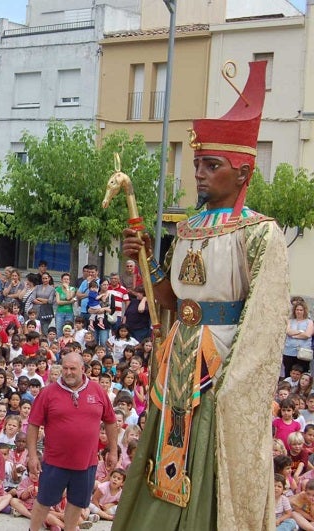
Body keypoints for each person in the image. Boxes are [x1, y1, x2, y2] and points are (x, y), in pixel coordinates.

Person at [112, 61, 290, 531]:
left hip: (221, 364)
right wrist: (145, 259)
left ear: (243, 171)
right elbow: (169, 297)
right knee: (165, 448)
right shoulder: (187, 227)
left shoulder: (261, 233)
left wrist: (236, 382)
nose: (201, 174)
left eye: (213, 166)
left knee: (207, 451)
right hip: (180, 355)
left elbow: (267, 319)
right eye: (197, 165)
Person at [27, 353, 118, 531]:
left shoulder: (97, 390)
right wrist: (32, 456)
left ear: (83, 369)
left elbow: (110, 421)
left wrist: (113, 450)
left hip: (87, 463)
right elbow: (33, 425)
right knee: (44, 501)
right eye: (65, 368)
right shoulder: (48, 392)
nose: (68, 372)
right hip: (55, 462)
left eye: (73, 369)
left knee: (77, 503)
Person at [283, 300, 314, 377]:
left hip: (303, 352)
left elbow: (307, 334)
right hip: (289, 351)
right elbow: (288, 331)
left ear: (304, 311)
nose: (299, 312)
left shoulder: (309, 322)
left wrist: (294, 335)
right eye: (297, 310)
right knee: (288, 373)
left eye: (301, 310)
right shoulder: (290, 321)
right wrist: (301, 332)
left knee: (302, 374)